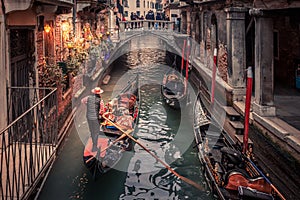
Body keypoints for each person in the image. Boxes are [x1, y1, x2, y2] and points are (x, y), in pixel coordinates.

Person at [81, 87, 104, 152]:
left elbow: (82, 101)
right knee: (96, 132)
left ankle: (92, 136)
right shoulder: (100, 101)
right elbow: (101, 111)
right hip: (95, 118)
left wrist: (87, 105)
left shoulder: (88, 98)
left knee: (91, 130)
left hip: (88, 117)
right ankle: (94, 147)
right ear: (99, 94)